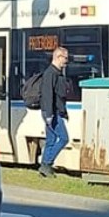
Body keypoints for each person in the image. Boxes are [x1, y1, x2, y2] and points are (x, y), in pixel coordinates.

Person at [38, 47, 69, 178]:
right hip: (51, 113)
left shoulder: (57, 73)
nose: (66, 61)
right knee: (63, 138)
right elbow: (48, 95)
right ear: (58, 57)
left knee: (50, 140)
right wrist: (49, 114)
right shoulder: (50, 73)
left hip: (54, 112)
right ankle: (46, 163)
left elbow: (60, 96)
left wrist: (64, 112)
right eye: (65, 58)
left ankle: (45, 168)